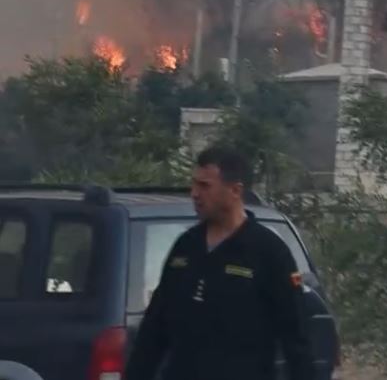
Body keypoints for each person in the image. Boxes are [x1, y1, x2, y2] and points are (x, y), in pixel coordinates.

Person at [124, 146, 314, 380]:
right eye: (194, 184)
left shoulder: (268, 252)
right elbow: (153, 330)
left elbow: (296, 338)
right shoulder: (186, 246)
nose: (194, 193)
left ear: (235, 190)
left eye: (205, 186)